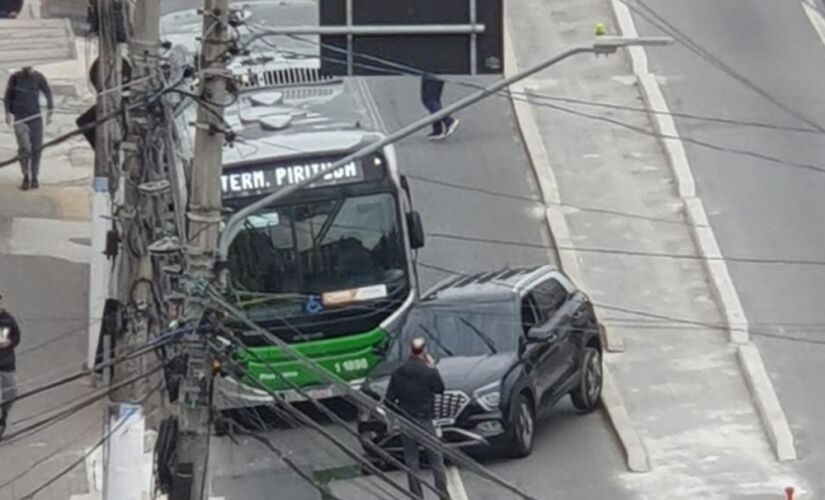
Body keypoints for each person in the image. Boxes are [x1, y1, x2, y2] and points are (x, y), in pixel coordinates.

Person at [385, 337, 450, 499]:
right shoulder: (427, 372)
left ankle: (416, 495)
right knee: (436, 461)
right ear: (424, 351)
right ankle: (443, 494)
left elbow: (389, 400)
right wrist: (433, 367)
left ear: (410, 351)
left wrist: (393, 420)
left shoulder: (398, 373)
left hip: (407, 421)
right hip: (425, 420)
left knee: (411, 461)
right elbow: (440, 389)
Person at [4, 65, 54, 190]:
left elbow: (48, 92)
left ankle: (35, 176)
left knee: (37, 149)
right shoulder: (15, 78)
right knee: (25, 148)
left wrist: (50, 111)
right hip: (20, 120)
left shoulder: (39, 77)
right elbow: (7, 97)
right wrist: (8, 113)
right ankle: (26, 175)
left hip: (36, 119)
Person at [0, 291, 21, 440]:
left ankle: (3, 416)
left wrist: (10, 343)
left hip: (7, 364)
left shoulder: (8, 320)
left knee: (11, 393)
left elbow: (17, 336)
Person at [420, 74, 459, 141]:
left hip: (432, 72)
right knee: (432, 100)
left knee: (430, 100)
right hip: (430, 73)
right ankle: (437, 129)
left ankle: (448, 121)